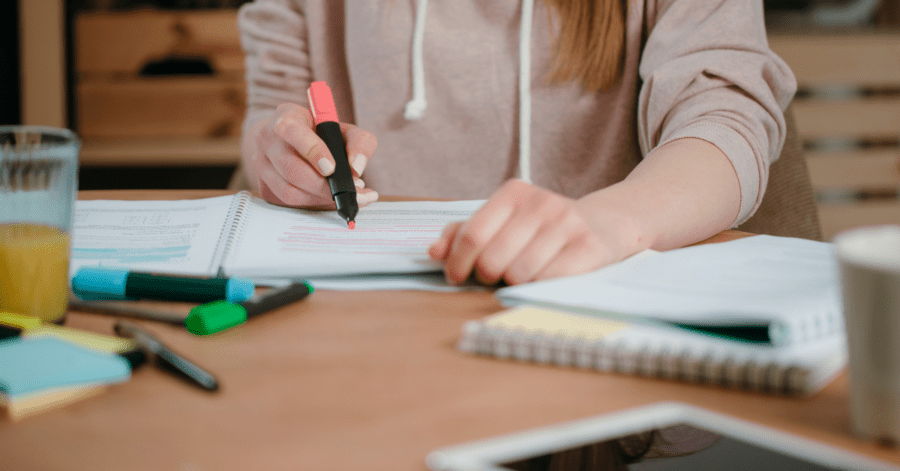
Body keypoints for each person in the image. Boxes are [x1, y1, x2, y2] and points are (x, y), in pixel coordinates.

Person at [236, 0, 796, 286]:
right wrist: (276, 149)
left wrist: (611, 222)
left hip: (596, 303)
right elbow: (276, 99)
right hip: (368, 311)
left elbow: (724, 114)